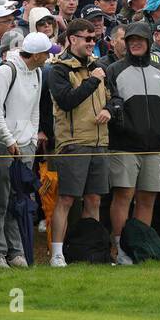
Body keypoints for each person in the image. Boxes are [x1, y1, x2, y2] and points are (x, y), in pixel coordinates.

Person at [104, 20, 160, 265]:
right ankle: (120, 248)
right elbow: (111, 104)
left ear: (148, 43)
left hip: (155, 146)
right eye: (130, 40)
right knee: (123, 196)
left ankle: (140, 247)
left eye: (139, 40)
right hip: (124, 145)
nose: (135, 44)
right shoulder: (114, 70)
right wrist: (124, 127)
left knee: (148, 198)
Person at [47, 18, 111, 267]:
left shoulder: (99, 66)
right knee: (67, 199)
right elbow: (66, 101)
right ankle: (57, 254)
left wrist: (110, 110)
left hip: (100, 140)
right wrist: (92, 80)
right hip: (73, 142)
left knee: (94, 199)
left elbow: (112, 97)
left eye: (94, 39)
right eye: (87, 38)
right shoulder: (59, 69)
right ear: (72, 39)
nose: (91, 43)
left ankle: (92, 250)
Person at [0, 31, 49, 267]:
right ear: (35, 54)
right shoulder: (5, 71)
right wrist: (9, 140)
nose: (47, 58)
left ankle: (16, 251)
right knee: (0, 199)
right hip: (1, 144)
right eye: (45, 54)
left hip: (25, 146)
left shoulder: (38, 72)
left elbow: (34, 111)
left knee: (19, 198)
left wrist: (31, 139)